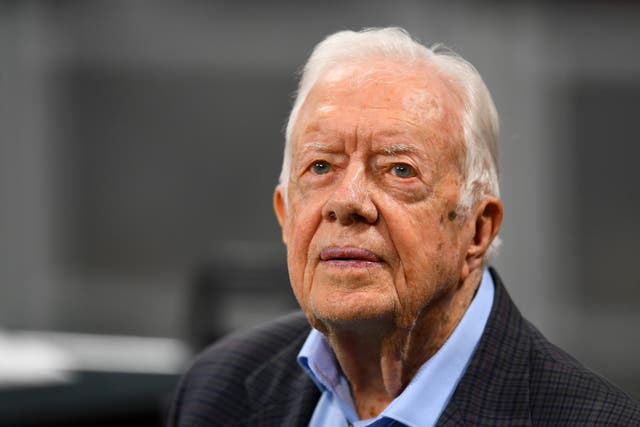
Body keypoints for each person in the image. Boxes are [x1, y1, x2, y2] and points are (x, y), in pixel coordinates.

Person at [168, 27, 640, 426]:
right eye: (320, 167)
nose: (347, 203)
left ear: (478, 230)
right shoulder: (216, 390)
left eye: (399, 170)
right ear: (286, 218)